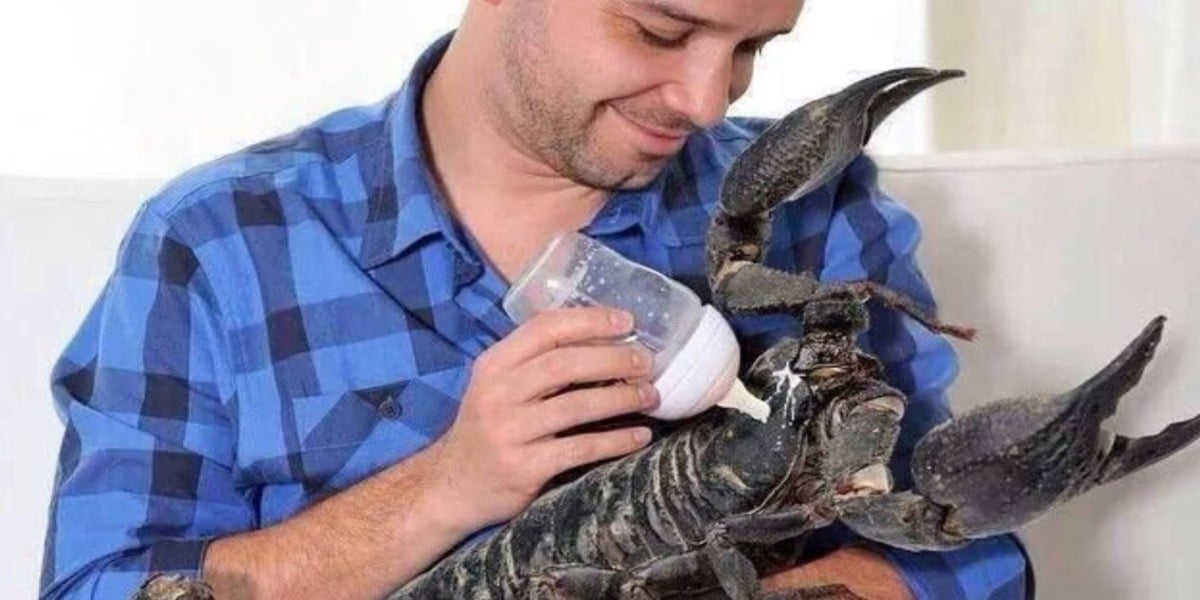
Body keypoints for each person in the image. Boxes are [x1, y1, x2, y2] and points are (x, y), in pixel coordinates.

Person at [39, 1, 1032, 598]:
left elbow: (967, 560)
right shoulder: (222, 244)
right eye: (661, 28)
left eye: (751, 49)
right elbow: (104, 587)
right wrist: (444, 486)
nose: (704, 99)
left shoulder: (816, 213)